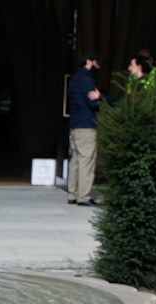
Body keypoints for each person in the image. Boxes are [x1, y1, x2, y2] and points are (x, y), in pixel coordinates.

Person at [67, 54, 101, 206]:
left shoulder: (74, 79)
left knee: (75, 160)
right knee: (87, 160)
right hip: (86, 125)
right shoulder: (87, 79)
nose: (98, 64)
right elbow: (92, 102)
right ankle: (84, 196)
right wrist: (99, 98)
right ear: (88, 62)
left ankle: (72, 194)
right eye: (95, 61)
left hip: (74, 124)